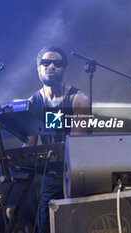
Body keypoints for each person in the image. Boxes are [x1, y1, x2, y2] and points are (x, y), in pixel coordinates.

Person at [24, 46, 89, 233]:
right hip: (49, 175)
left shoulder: (78, 99)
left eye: (57, 63)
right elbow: (29, 146)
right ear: (38, 68)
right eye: (45, 62)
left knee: (78, 225)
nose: (51, 66)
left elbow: (76, 146)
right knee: (45, 226)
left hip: (77, 173)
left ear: (64, 69)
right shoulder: (33, 102)